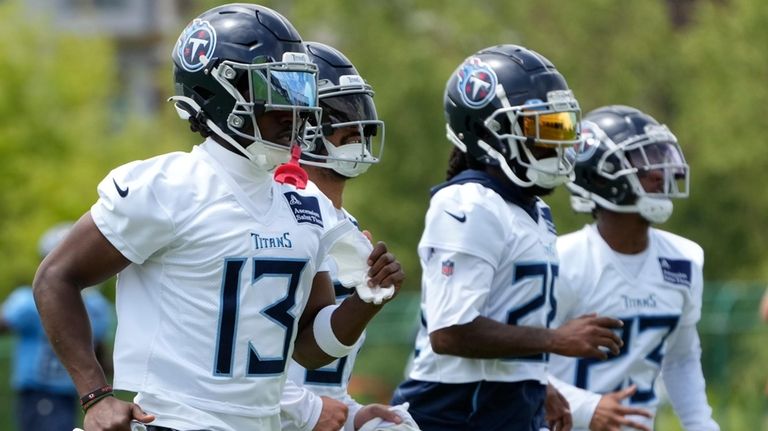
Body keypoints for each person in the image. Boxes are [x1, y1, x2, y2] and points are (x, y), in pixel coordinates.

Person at [32, 4, 402, 431]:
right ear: (221, 92)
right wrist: (96, 396)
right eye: (277, 90)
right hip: (173, 421)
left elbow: (308, 349)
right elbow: (55, 277)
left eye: (299, 91)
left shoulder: (306, 204)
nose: (294, 110)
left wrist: (366, 301)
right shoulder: (168, 186)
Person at [390, 44, 625, 431]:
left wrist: (536, 381)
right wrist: (554, 339)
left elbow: (504, 316)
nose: (557, 143)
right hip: (454, 412)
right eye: (543, 129)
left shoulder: (530, 209)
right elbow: (450, 333)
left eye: (561, 127)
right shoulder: (469, 202)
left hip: (505, 404)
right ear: (490, 134)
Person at [548, 105, 720, 431]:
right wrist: (586, 408)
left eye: (659, 156)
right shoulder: (562, 261)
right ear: (600, 174)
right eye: (643, 162)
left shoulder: (683, 259)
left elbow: (681, 357)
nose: (659, 172)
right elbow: (517, 366)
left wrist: (701, 425)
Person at [280, 41, 419, 431]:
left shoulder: (343, 222)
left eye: (360, 115)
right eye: (342, 117)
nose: (357, 130)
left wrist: (353, 414)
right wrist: (304, 408)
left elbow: (314, 364)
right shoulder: (281, 213)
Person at [0, 223, 112, 431]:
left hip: (65, 394)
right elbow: (100, 356)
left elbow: (98, 353)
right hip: (61, 393)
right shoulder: (98, 307)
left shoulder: (28, 302)